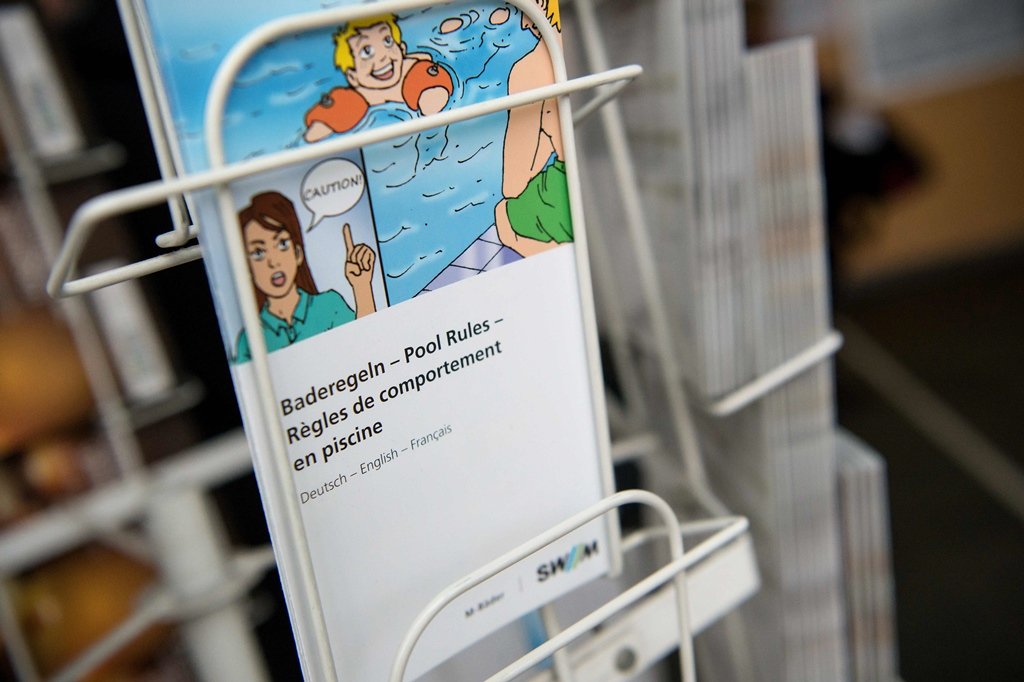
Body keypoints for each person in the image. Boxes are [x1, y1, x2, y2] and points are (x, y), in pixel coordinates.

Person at [235, 191, 376, 361]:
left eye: (282, 244)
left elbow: (371, 352)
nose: (273, 262)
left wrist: (361, 287)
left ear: (297, 252)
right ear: (247, 267)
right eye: (258, 252)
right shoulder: (249, 340)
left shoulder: (329, 306)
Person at [494, 0, 573, 257]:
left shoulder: (526, 68)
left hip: (559, 195)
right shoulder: (568, 51)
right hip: (574, 183)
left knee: (503, 216)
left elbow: (512, 186)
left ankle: (555, 259)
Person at [304, 14, 454, 143]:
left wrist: (432, 92)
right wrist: (326, 122)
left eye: (387, 41)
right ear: (352, 76)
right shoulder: (359, 95)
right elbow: (334, 110)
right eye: (366, 51)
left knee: (423, 76)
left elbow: (433, 85)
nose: (382, 57)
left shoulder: (412, 70)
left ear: (401, 48)